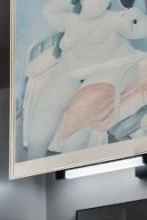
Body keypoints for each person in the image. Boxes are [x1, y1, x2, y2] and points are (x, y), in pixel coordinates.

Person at [21, 0, 147, 161]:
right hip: (71, 72)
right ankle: (34, 160)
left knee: (81, 108)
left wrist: (136, 14)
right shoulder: (70, 19)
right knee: (47, 107)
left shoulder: (115, 18)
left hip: (106, 70)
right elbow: (49, 11)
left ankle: (69, 162)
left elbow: (141, 30)